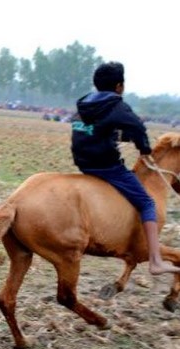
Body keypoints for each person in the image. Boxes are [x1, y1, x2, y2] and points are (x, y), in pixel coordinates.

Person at [71, 61, 180, 275]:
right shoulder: (116, 105)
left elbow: (96, 129)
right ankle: (156, 260)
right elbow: (138, 128)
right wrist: (144, 148)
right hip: (107, 166)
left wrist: (118, 135)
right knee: (147, 203)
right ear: (119, 86)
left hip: (84, 163)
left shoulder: (84, 103)